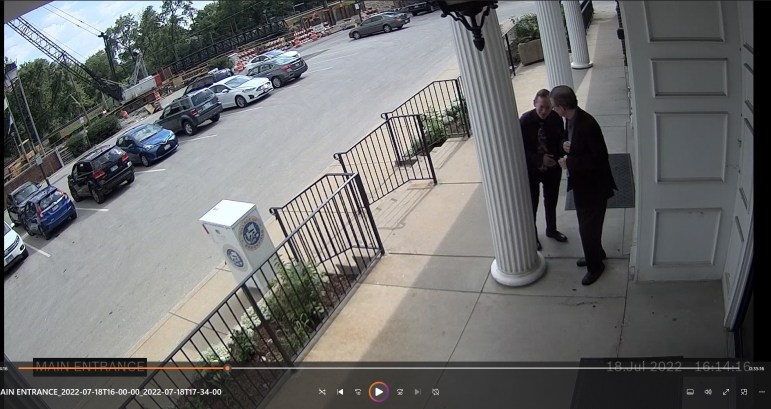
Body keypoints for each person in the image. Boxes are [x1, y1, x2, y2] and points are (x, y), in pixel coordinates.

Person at [551, 85, 617, 285]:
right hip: (583, 187)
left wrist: (569, 163)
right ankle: (596, 254)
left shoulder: (587, 124)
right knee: (589, 227)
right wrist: (565, 145)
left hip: (594, 189)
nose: (553, 110)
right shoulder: (570, 120)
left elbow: (599, 159)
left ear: (562, 107)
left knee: (587, 229)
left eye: (554, 106)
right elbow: (569, 140)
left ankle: (595, 267)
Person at [519, 89, 568, 251]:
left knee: (551, 201)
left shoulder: (556, 119)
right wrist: (540, 159)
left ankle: (551, 230)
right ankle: (533, 236)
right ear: (534, 104)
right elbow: (520, 149)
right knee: (532, 203)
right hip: (532, 170)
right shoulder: (525, 121)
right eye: (541, 106)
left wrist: (561, 153)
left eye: (548, 107)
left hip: (552, 170)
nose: (545, 110)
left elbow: (561, 139)